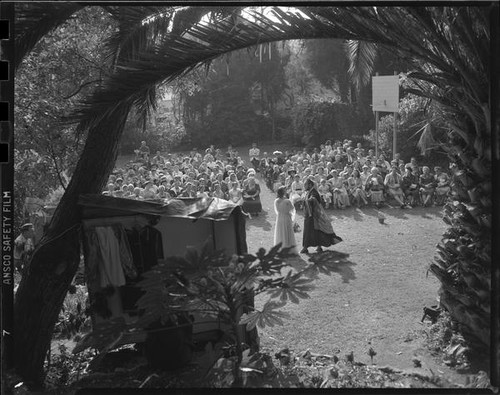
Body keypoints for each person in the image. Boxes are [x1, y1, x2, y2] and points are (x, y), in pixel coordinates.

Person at [300, 178, 342, 254]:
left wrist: (309, 200)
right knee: (316, 231)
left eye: (305, 184)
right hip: (311, 215)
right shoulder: (309, 191)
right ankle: (319, 246)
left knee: (309, 231)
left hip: (313, 216)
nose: (304, 186)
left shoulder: (314, 192)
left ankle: (305, 248)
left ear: (310, 185)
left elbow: (314, 199)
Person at [273, 186, 298, 255]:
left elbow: (277, 211)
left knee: (280, 232)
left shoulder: (276, 201)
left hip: (280, 218)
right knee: (287, 232)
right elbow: (292, 209)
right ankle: (289, 248)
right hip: (286, 217)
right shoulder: (287, 201)